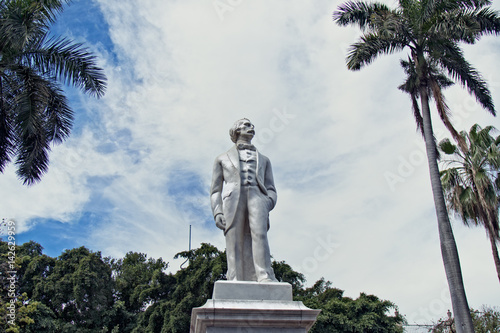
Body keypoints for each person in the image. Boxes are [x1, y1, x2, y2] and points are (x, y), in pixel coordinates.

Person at [210, 118, 278, 282]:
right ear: (237, 130)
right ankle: (234, 278)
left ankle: (264, 275)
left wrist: (269, 201)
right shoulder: (222, 159)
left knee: (260, 234)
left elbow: (271, 187)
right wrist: (217, 211)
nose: (252, 127)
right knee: (233, 237)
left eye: (252, 125)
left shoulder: (264, 160)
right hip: (233, 198)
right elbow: (215, 190)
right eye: (247, 125)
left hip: (257, 196)